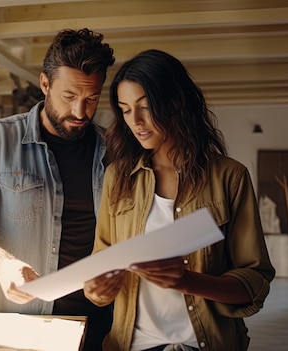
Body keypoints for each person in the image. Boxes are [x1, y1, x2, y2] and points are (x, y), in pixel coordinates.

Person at [0, 28, 115, 351]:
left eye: (91, 99)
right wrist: (0, 261)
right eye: (69, 97)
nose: (80, 112)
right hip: (15, 332)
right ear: (45, 83)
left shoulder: (114, 150)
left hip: (101, 332)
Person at [83, 49, 275, 351]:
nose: (136, 121)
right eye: (125, 109)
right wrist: (97, 290)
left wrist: (186, 281)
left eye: (145, 107)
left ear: (174, 103)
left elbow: (255, 282)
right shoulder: (117, 177)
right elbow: (99, 265)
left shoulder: (230, 177)